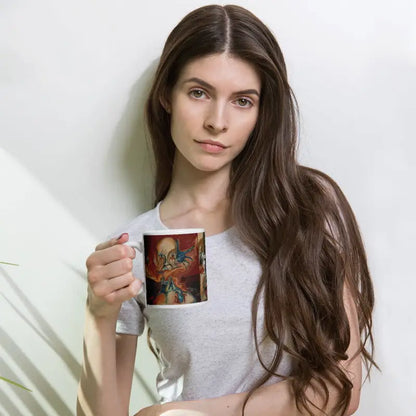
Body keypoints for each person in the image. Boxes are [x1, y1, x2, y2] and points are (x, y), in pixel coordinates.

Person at [77, 4, 377, 416]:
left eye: (242, 101)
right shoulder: (143, 248)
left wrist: (180, 414)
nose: (217, 121)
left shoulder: (306, 208)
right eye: (198, 92)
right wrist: (99, 316)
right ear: (167, 94)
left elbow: (339, 390)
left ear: (261, 112)